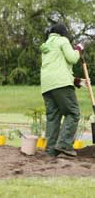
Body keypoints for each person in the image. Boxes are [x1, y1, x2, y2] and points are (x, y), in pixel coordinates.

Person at [40, 23, 86, 157]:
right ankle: (64, 145)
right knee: (73, 113)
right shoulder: (63, 40)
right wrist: (78, 48)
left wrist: (75, 81)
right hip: (61, 85)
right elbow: (72, 58)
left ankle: (51, 150)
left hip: (47, 86)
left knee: (53, 117)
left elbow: (57, 67)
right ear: (63, 33)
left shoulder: (47, 46)